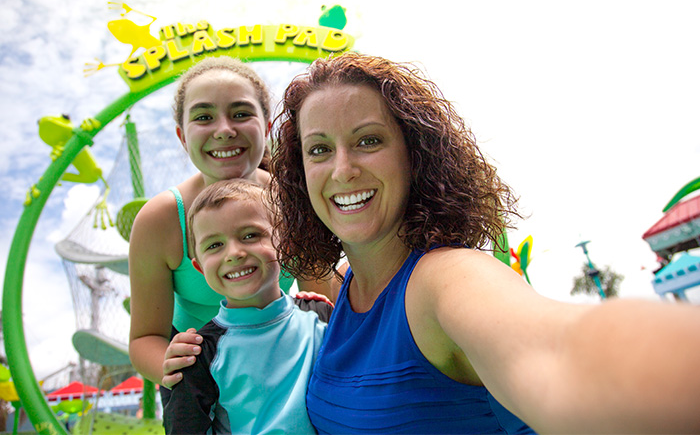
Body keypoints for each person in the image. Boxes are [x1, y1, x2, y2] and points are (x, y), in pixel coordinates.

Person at [269, 52, 700, 434]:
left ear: (413, 153)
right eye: (320, 149)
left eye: (368, 141)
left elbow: (565, 355)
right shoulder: (343, 290)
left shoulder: (448, 278)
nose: (342, 170)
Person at [128, 56, 331, 399]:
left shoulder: (294, 202)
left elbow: (323, 304)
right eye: (204, 117)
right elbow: (144, 338)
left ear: (266, 126)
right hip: (199, 376)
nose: (224, 129)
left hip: (280, 356)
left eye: (240, 114)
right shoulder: (160, 221)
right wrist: (173, 365)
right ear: (182, 136)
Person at [164, 179, 331, 434]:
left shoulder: (321, 315)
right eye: (214, 245)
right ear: (199, 268)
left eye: (251, 235)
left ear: (285, 244)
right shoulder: (199, 355)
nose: (234, 253)